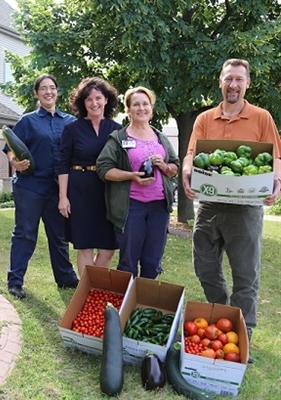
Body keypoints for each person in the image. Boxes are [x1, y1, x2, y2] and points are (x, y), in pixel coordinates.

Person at [181, 59, 281, 361]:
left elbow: (275, 158)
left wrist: (276, 184)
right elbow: (190, 154)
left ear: (247, 83)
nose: (233, 85)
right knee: (206, 268)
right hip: (210, 205)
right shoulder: (205, 118)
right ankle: (223, 313)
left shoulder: (261, 118)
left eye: (239, 79)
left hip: (246, 209)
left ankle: (243, 336)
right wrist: (187, 173)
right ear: (220, 82)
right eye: (228, 79)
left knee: (246, 275)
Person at [4, 74, 79, 299]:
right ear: (36, 93)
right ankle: (15, 281)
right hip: (30, 186)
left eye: (52, 88)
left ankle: (65, 277)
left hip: (58, 189)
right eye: (43, 88)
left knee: (59, 235)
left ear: (57, 92)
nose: (49, 92)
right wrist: (14, 162)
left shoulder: (70, 122)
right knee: (25, 234)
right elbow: (10, 147)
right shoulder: (28, 121)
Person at [96, 86, 179, 278]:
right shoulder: (119, 138)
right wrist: (131, 176)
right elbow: (103, 169)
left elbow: (174, 166)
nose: (141, 108)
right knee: (129, 260)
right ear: (128, 110)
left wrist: (165, 167)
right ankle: (126, 305)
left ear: (151, 108)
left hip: (159, 207)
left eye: (145, 104)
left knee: (152, 260)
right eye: (136, 105)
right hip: (131, 207)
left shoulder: (161, 137)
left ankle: (144, 304)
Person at [57, 77, 122, 276]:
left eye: (98, 98)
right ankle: (87, 290)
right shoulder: (72, 129)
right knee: (84, 245)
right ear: (82, 103)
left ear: (106, 100)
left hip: (107, 191)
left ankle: (94, 283)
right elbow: (62, 164)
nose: (94, 103)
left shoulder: (117, 130)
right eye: (89, 99)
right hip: (80, 190)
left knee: (108, 247)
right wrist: (63, 197)